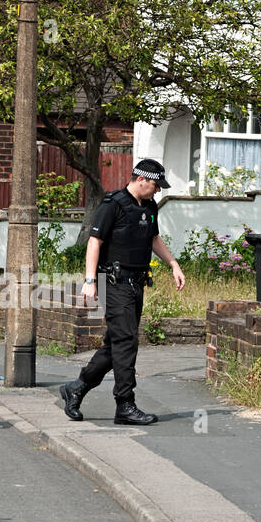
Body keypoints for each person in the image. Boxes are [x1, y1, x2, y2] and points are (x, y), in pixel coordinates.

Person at [59, 158, 185, 425]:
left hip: (136, 283)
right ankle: (125, 404)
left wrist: (173, 264)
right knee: (126, 341)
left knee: (116, 343)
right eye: (155, 185)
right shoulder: (112, 204)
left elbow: (154, 238)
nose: (158, 190)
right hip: (113, 282)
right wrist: (90, 280)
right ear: (141, 180)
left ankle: (77, 388)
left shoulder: (150, 206)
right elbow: (95, 242)